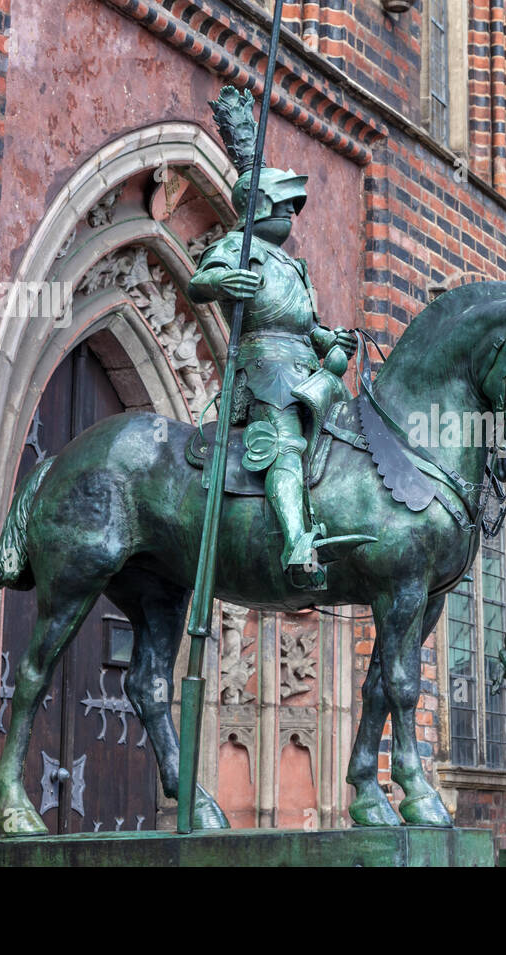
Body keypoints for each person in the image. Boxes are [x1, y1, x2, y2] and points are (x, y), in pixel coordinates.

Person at [188, 87, 355, 590]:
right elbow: (199, 284)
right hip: (266, 369)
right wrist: (222, 282)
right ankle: (296, 542)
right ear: (257, 206)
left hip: (308, 366)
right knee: (284, 445)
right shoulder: (238, 247)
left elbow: (305, 322)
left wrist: (331, 339)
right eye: (282, 205)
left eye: (291, 208)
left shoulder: (292, 263)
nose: (290, 215)